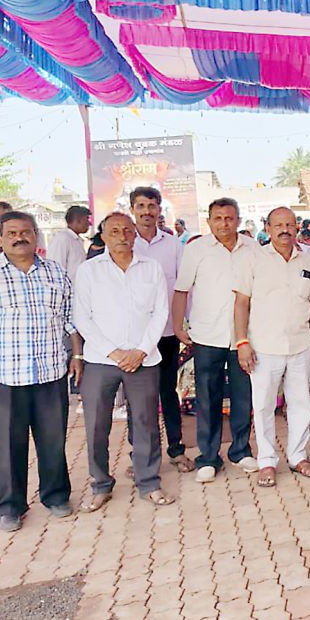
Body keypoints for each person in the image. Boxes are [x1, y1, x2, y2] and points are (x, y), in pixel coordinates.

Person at [0, 211, 82, 532]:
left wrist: (76, 354)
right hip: (5, 377)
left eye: (26, 232)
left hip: (50, 373)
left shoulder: (55, 274)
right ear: (1, 239)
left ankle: (55, 495)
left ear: (36, 236)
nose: (20, 237)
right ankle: (10, 506)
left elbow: (70, 319)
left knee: (52, 440)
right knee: (8, 444)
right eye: (12, 233)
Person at [74, 212, 175, 510]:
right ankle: (100, 484)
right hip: (101, 360)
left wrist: (141, 351)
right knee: (96, 424)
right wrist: (115, 353)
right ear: (102, 236)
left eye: (127, 230)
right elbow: (83, 317)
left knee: (145, 422)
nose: (122, 235)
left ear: (134, 234)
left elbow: (160, 312)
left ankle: (148, 482)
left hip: (143, 358)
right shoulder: (89, 270)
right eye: (114, 230)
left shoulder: (151, 268)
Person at [171, 198, 259, 484]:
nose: (224, 223)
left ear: (238, 219)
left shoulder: (253, 249)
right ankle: (208, 457)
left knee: (243, 396)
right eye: (218, 218)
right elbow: (182, 290)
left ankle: (240, 450)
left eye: (229, 218)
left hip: (243, 337)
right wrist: (178, 326)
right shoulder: (196, 250)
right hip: (207, 335)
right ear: (209, 221)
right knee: (207, 397)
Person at [233, 207, 310, 488]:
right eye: (278, 225)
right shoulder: (253, 259)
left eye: (289, 224)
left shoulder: (307, 261)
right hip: (263, 347)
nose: (285, 230)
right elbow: (241, 303)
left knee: (301, 404)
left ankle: (298, 457)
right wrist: (242, 343)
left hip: (299, 345)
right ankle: (267, 462)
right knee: (263, 407)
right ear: (268, 228)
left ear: (297, 227)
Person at [130, 187, 191, 474]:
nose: (146, 211)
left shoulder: (173, 245)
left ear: (159, 210)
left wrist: (183, 325)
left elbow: (182, 287)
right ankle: (139, 454)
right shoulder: (123, 243)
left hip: (166, 333)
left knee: (168, 392)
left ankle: (177, 450)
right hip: (134, 337)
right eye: (141, 206)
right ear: (133, 209)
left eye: (151, 206)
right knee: (139, 398)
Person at [47, 205, 91, 281]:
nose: (89, 223)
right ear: (78, 220)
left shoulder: (77, 240)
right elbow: (55, 269)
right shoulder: (62, 239)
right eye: (86, 219)